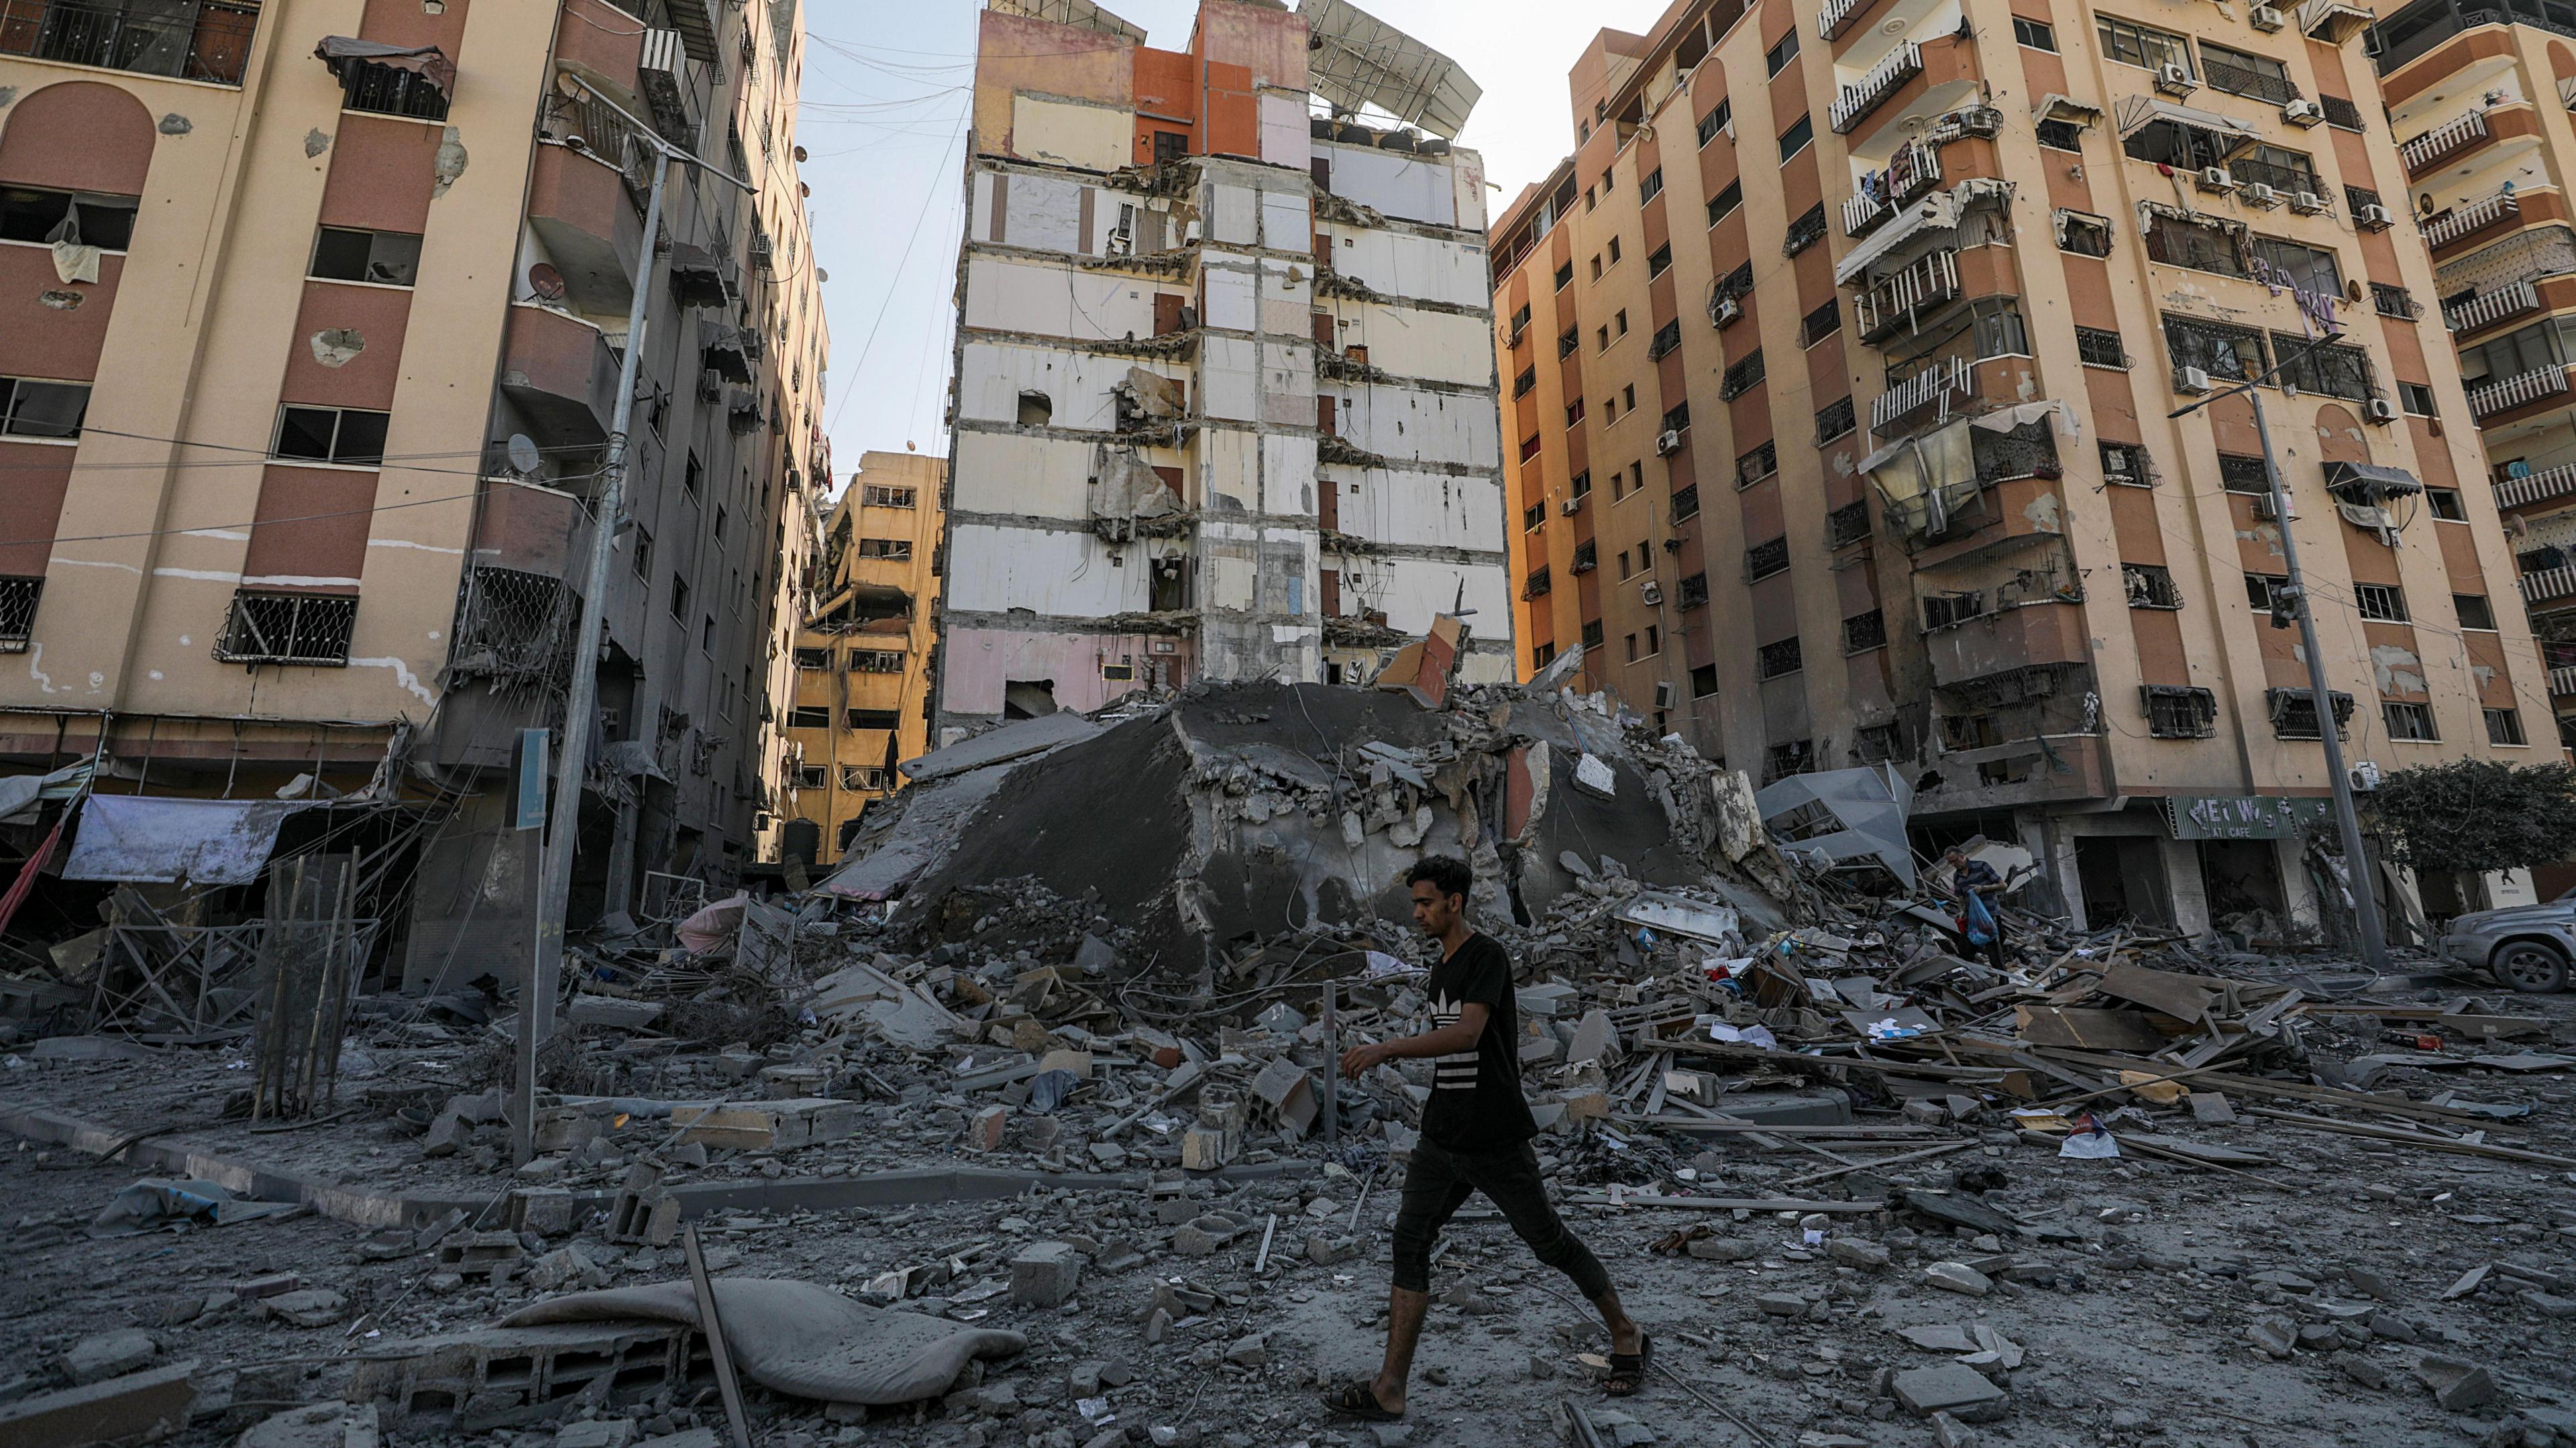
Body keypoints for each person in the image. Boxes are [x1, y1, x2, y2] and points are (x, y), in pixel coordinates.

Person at [1322, 856, 1646, 1422]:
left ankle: (1626, 1333)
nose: (1418, 913)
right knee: (1410, 1240)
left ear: (1456, 902)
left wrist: (1387, 1048)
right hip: (1442, 1136)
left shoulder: (1485, 957)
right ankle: (1389, 1388)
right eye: (1415, 903)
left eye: (1426, 903)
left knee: (1549, 1242)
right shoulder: (1440, 967)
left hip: (1493, 1136)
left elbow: (1468, 1034)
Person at [1945, 845, 2007, 970]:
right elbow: (1961, 898)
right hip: (1972, 918)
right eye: (1951, 862)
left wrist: (1983, 888)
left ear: (1962, 856)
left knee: (1994, 950)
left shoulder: (1982, 866)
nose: (1954, 864)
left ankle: (2003, 981)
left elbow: (2003, 885)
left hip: (1989, 915)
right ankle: (1971, 977)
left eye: (1955, 861)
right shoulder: (1957, 876)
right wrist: (1962, 911)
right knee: (1965, 950)